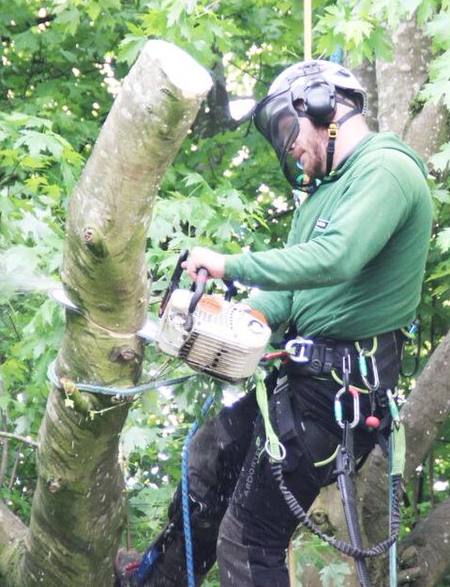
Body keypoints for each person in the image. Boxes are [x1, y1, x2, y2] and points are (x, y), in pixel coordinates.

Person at [116, 59, 432, 586]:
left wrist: (229, 264)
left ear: (324, 107)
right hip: (300, 383)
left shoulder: (387, 170)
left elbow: (337, 259)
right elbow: (292, 286)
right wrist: (249, 315)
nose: (289, 148)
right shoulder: (324, 195)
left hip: (336, 395)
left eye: (287, 129)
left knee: (250, 539)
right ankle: (154, 580)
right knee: (209, 455)